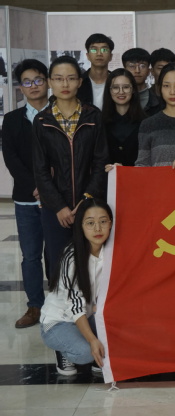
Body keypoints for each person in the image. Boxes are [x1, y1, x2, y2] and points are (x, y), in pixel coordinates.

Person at [32, 56, 109, 281]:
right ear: (50, 82)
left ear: (79, 82)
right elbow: (40, 169)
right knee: (58, 262)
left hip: (89, 204)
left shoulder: (93, 116)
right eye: (58, 79)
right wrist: (59, 206)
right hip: (55, 209)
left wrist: (87, 199)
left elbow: (101, 161)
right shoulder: (42, 120)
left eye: (71, 78)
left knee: (92, 264)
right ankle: (60, 304)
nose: (64, 84)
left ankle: (89, 304)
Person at [40, 198, 112, 375]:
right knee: (85, 353)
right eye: (90, 223)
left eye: (103, 222)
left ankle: (93, 346)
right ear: (81, 226)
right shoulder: (72, 257)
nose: (97, 229)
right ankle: (62, 349)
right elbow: (75, 305)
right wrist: (93, 340)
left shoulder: (112, 252)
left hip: (89, 314)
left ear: (111, 223)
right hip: (60, 320)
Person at [2, 59, 49, 328]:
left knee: (57, 254)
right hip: (25, 199)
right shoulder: (11, 120)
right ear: (21, 87)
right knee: (30, 256)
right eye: (27, 82)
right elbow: (12, 159)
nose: (34, 86)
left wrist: (48, 187)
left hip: (57, 198)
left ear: (47, 82)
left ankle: (61, 304)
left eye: (38, 80)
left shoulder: (60, 114)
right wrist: (35, 186)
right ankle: (34, 306)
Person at [102, 69, 146, 167]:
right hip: (107, 175)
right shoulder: (100, 122)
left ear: (133, 89)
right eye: (115, 87)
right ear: (109, 90)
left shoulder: (145, 122)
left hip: (138, 175)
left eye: (126, 87)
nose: (121, 92)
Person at [77, 33, 113, 110]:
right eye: (94, 50)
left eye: (104, 50)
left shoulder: (116, 81)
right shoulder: (79, 83)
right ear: (88, 56)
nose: (99, 54)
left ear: (111, 56)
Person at [122, 48, 162, 116]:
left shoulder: (159, 102)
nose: (137, 71)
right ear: (124, 70)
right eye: (132, 66)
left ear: (148, 71)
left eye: (142, 66)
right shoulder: (118, 98)